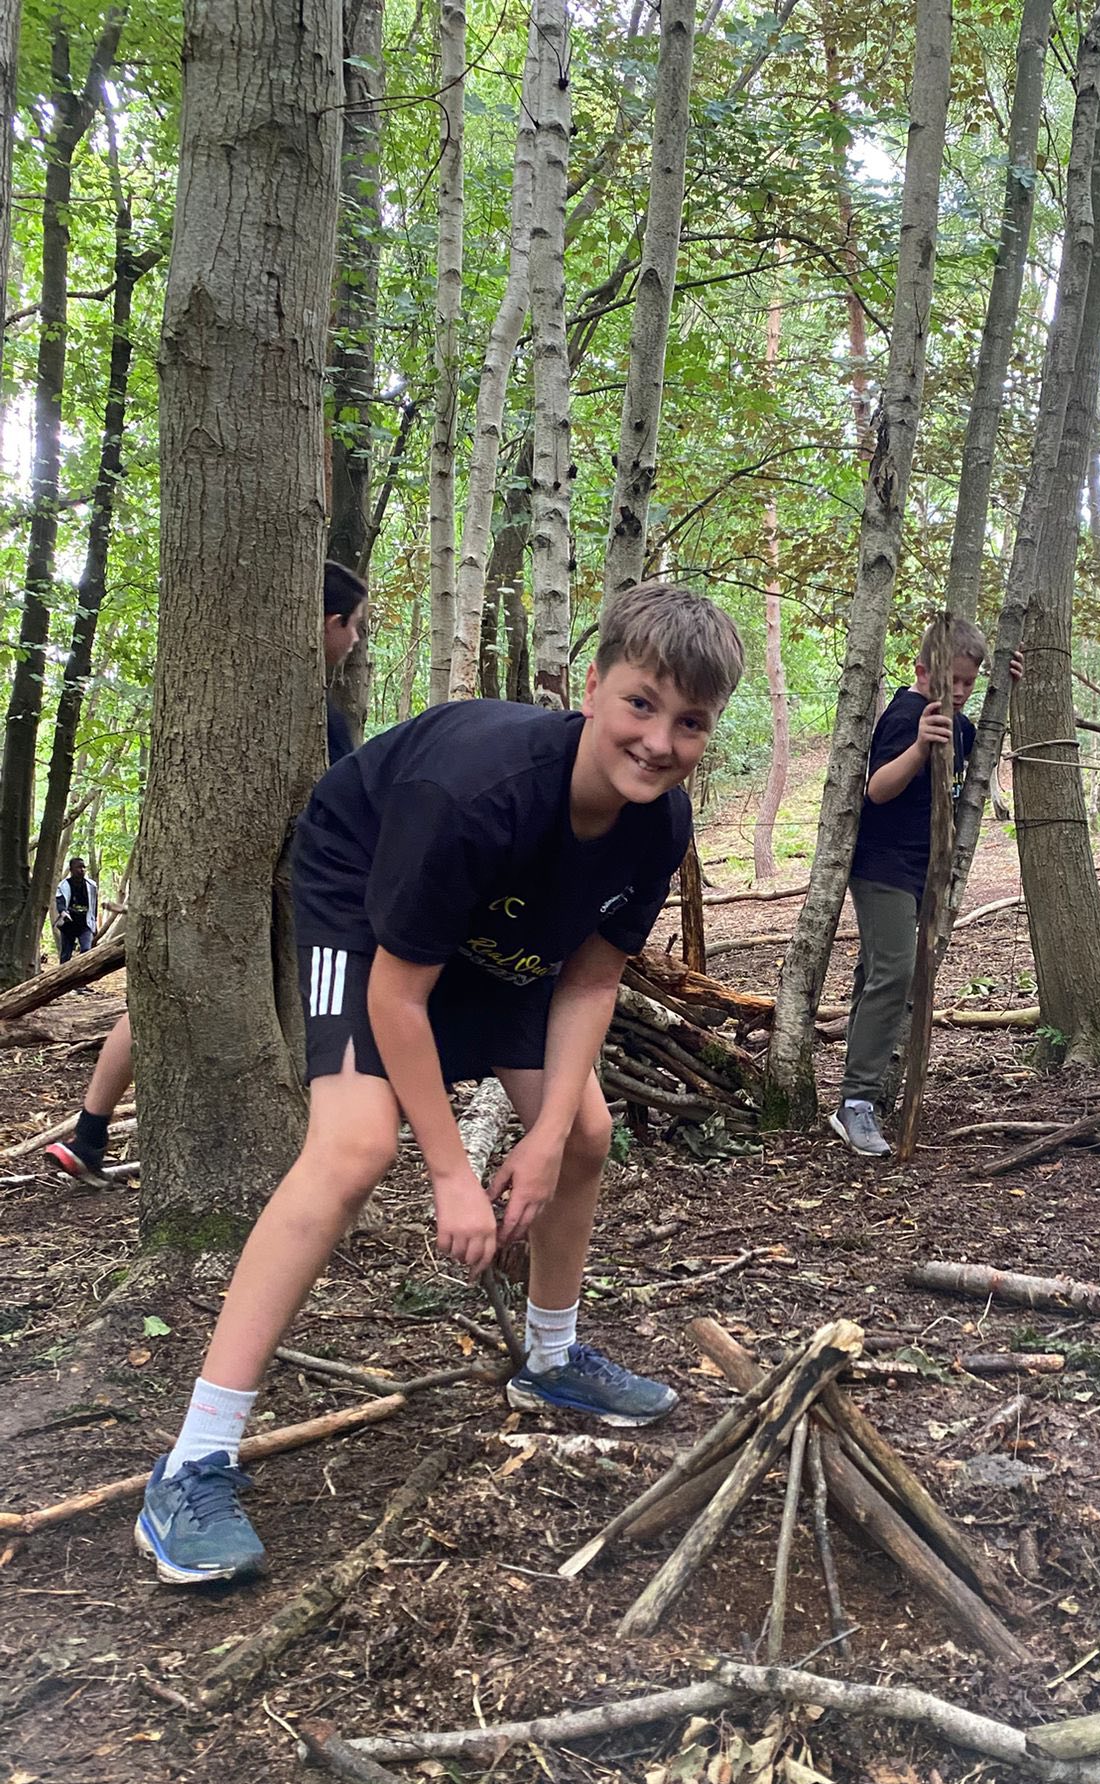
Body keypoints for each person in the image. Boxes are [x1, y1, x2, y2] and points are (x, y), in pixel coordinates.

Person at [134, 580, 745, 1585]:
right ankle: (193, 1462)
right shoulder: (475, 793)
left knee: (584, 1132)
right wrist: (454, 1174)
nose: (658, 740)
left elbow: (591, 982)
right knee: (354, 1148)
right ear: (592, 688)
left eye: (690, 722)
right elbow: (398, 997)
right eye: (641, 703)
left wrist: (543, 1138)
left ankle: (553, 1358)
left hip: (506, 919)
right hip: (364, 891)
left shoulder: (657, 825)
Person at [45, 561, 369, 1185]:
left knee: (157, 999)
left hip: (192, 884)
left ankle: (89, 1134)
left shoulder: (224, 690)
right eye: (353, 625)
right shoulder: (314, 718)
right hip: (276, 898)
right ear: (329, 622)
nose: (355, 640)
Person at [829, 618, 990, 1158]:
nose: (960, 692)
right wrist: (920, 746)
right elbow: (877, 789)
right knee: (894, 974)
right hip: (884, 868)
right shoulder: (905, 715)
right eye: (952, 680)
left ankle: (860, 1088)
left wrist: (1007, 689)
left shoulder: (962, 725)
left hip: (925, 870)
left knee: (879, 974)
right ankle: (855, 1101)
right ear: (923, 671)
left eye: (970, 683)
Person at [53, 857, 98, 960]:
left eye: (83, 867)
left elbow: (94, 904)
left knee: (86, 951)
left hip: (85, 924)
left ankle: (84, 969)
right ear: (71, 870)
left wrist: (94, 922)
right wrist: (63, 912)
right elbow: (60, 902)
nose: (82, 870)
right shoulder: (63, 885)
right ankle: (64, 970)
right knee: (66, 955)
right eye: (78, 867)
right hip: (69, 924)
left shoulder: (91, 885)